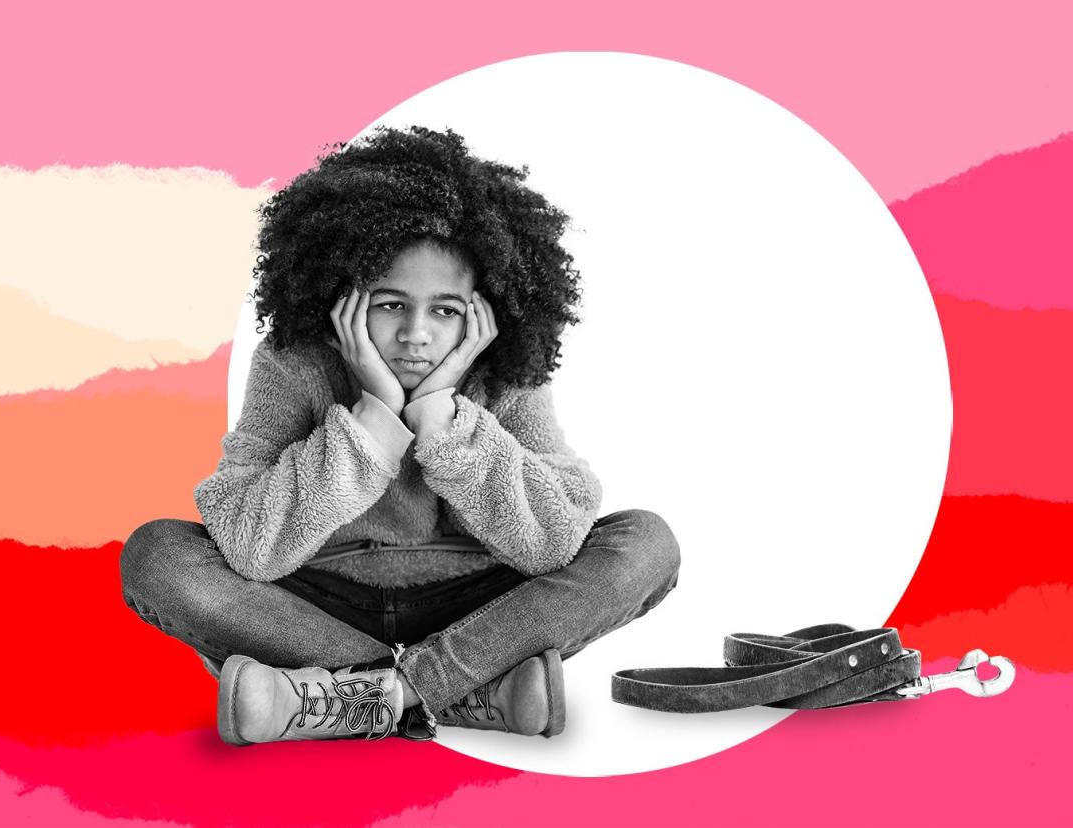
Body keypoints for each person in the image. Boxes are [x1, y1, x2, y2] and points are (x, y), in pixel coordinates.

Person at [119, 125, 680, 746]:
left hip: (479, 607)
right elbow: (252, 547)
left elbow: (549, 544)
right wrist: (374, 417)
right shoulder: (291, 363)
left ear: (483, 311)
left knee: (647, 543)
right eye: (390, 304)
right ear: (343, 297)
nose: (417, 333)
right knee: (158, 554)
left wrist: (444, 417)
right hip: (313, 605)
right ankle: (466, 694)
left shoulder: (508, 372)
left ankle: (358, 697)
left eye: (445, 310)